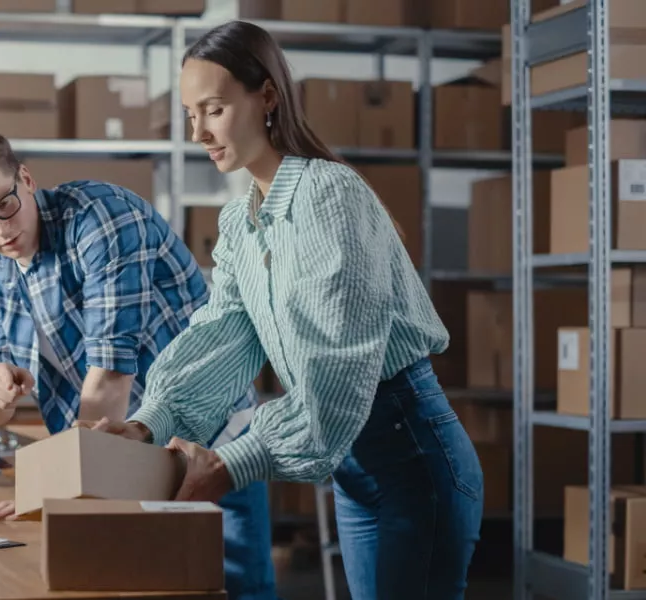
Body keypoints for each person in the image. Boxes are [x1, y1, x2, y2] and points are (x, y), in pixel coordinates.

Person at [77, 20, 484, 600]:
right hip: (355, 473)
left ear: (266, 95)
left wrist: (233, 463)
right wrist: (149, 423)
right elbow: (221, 340)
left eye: (212, 110)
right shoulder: (241, 224)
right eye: (190, 114)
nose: (198, 131)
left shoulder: (329, 195)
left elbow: (336, 374)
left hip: (412, 462)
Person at [0, 124, 278, 600]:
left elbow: (109, 378)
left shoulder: (101, 219)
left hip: (207, 441)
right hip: (118, 455)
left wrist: (57, 489)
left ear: (25, 178)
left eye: (4, 205)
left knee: (232, 589)